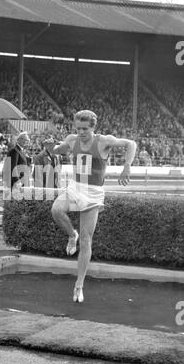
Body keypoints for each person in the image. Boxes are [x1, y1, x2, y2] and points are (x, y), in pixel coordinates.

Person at [49, 110, 137, 303]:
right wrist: (53, 148)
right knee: (56, 210)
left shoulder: (103, 141)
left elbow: (131, 144)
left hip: (93, 193)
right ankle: (72, 235)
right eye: (78, 128)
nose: (81, 132)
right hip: (75, 187)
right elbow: (61, 148)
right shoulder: (73, 139)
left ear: (93, 127)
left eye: (85, 129)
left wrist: (127, 165)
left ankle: (79, 285)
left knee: (86, 241)